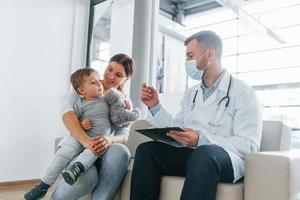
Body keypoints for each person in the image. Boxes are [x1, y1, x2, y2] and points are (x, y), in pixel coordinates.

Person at [130, 31, 262, 200]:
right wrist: (155, 106)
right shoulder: (191, 94)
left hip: (227, 159)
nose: (187, 62)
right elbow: (177, 126)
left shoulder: (243, 92)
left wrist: (201, 139)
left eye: (190, 56)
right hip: (193, 156)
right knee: (147, 151)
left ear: (210, 54)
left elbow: (249, 145)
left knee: (204, 153)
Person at [46, 54, 134, 200]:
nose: (110, 76)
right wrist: (86, 141)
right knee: (88, 179)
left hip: (103, 151)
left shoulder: (123, 102)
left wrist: (108, 139)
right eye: (109, 69)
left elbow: (124, 135)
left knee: (122, 151)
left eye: (118, 75)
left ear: (126, 79)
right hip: (79, 147)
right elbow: (66, 111)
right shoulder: (86, 83)